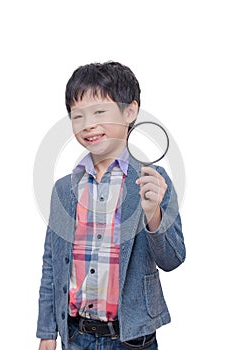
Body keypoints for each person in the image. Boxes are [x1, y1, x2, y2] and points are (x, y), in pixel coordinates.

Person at [36, 61, 186, 350]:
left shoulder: (151, 180)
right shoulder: (64, 189)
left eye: (99, 112)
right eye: (77, 116)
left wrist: (153, 215)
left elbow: (173, 259)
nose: (88, 124)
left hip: (132, 340)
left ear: (130, 112)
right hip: (75, 336)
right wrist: (47, 331)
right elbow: (51, 266)